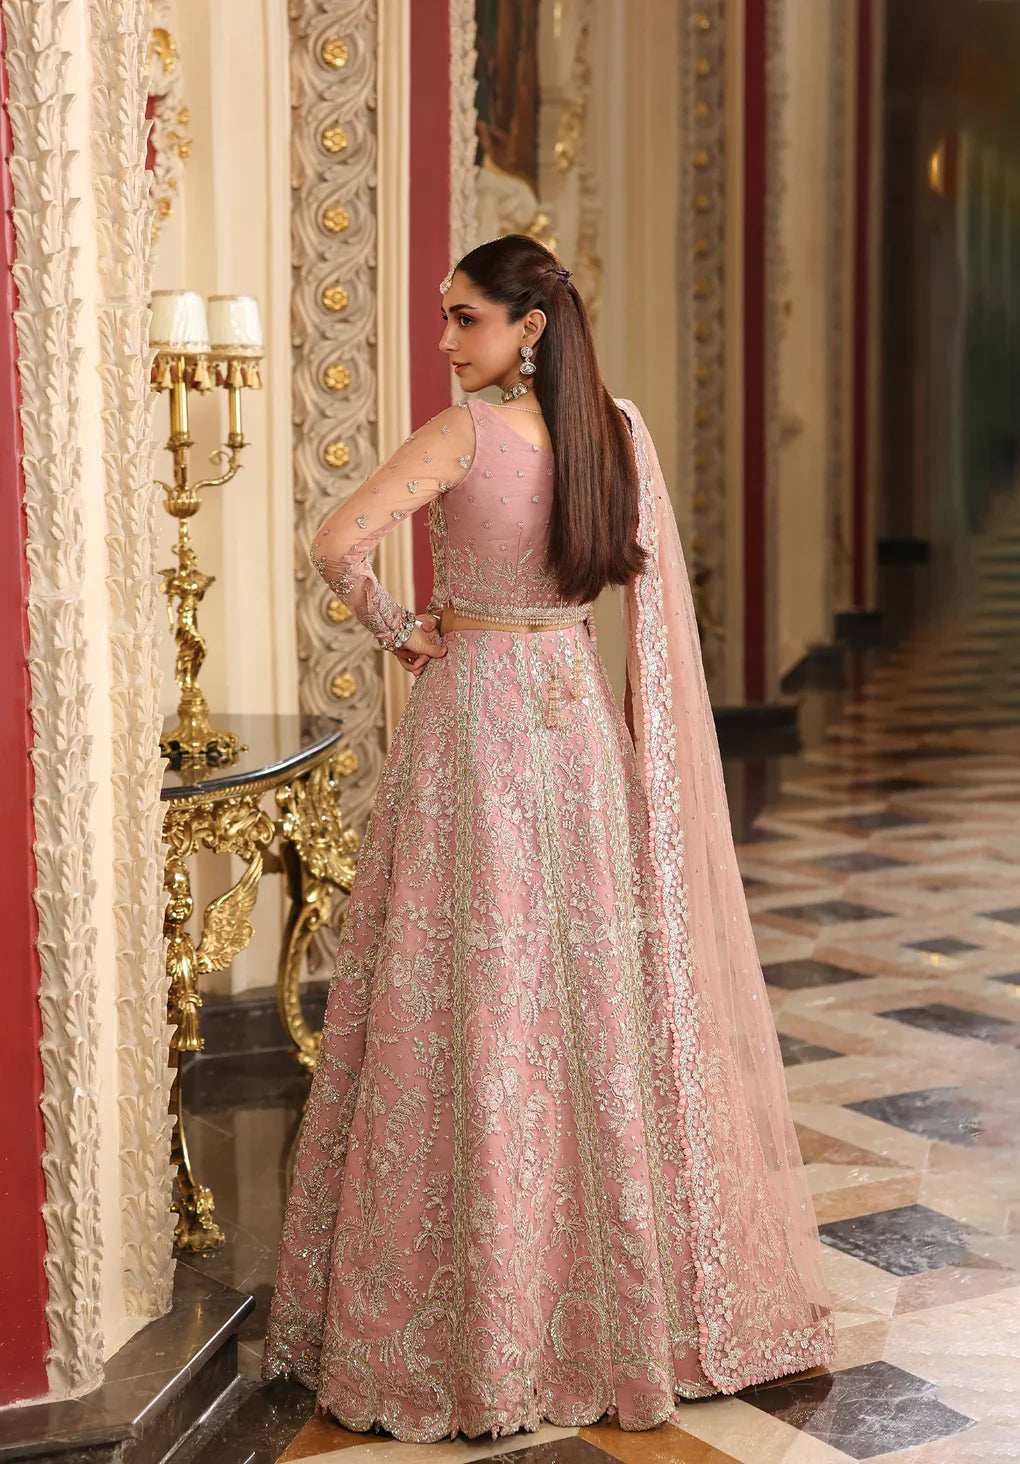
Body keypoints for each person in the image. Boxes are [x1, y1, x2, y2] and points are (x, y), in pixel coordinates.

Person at [262, 233, 837, 1441]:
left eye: (463, 318)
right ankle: (603, 1314)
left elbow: (334, 542)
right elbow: (643, 605)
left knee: (470, 996)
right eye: (443, 316)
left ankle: (480, 1321)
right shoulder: (615, 434)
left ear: (528, 327)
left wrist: (400, 629)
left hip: (476, 721)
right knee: (583, 1004)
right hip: (574, 725)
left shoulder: (464, 434)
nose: (444, 340)